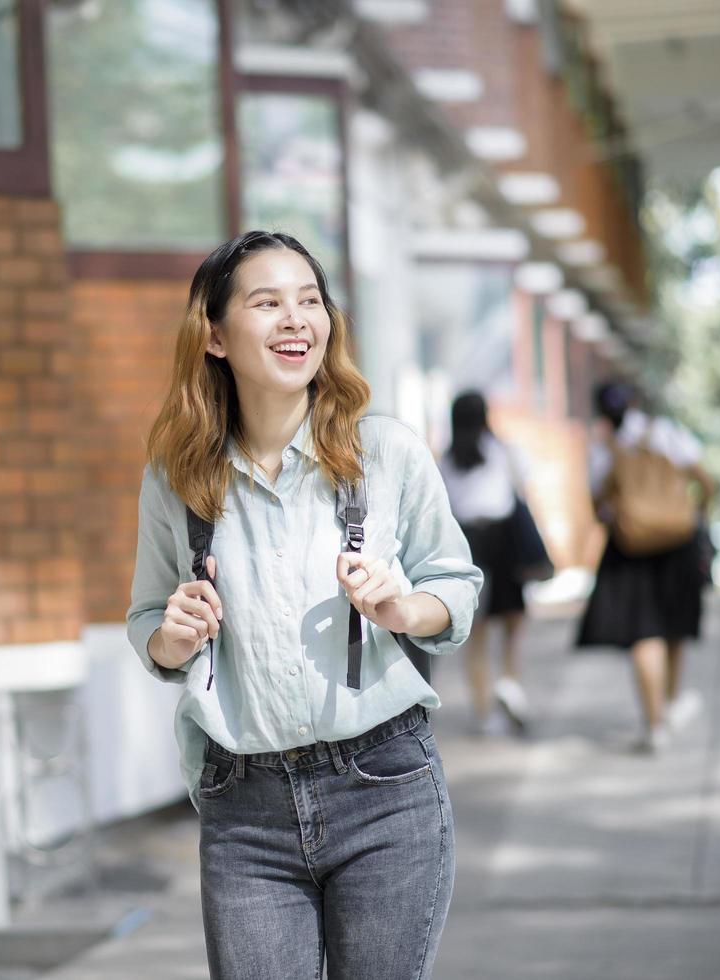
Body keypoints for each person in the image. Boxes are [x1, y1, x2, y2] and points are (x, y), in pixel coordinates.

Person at [126, 230, 482, 979]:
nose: (297, 319)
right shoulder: (176, 477)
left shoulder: (384, 454)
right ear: (216, 336)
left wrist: (404, 610)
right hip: (243, 808)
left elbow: (457, 585)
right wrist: (172, 637)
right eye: (268, 303)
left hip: (384, 791)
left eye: (309, 300)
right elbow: (147, 620)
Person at [576, 380, 714, 754]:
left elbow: (597, 506)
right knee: (674, 625)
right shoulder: (667, 433)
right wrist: (695, 515)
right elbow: (705, 481)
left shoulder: (604, 450)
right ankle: (669, 704)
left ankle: (654, 725)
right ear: (634, 401)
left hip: (629, 548)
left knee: (643, 634)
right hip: (678, 542)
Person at [437, 391, 532, 736]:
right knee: (514, 619)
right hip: (504, 540)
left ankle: (483, 711)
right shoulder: (502, 451)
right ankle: (509, 680)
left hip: (465, 543)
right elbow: (524, 490)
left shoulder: (444, 461)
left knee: (473, 631)